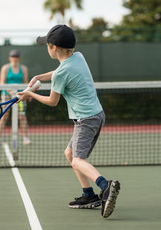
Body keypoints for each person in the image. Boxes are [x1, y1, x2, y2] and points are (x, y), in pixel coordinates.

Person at [17, 25, 121, 218]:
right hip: (97, 115)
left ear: (54, 47)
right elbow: (59, 72)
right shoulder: (78, 57)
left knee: (77, 160)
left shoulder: (61, 73)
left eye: (47, 45)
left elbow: (52, 101)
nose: (46, 48)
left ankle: (105, 186)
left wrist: (30, 93)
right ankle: (89, 195)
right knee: (69, 152)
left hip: (85, 120)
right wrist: (39, 77)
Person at [0, 49, 31, 146]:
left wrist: (28, 94)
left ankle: (26, 138)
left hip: (20, 96)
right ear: (10, 58)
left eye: (16, 56)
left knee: (22, 116)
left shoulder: (24, 69)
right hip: (6, 95)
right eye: (13, 56)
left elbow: (26, 82)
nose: (15, 58)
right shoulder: (5, 68)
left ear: (19, 58)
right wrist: (10, 92)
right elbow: (1, 82)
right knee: (3, 116)